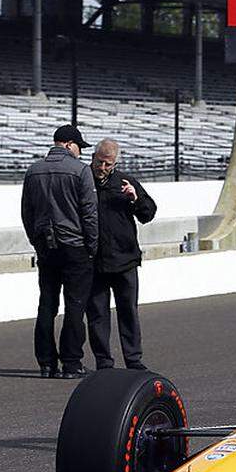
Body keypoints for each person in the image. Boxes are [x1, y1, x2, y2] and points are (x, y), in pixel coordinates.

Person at [21, 125, 97, 379]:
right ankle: (72, 362)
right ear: (68, 144)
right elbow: (89, 213)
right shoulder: (81, 171)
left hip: (46, 246)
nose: (80, 152)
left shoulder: (33, 171)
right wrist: (92, 246)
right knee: (75, 306)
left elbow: (26, 213)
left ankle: (46, 363)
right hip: (75, 246)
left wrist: (36, 242)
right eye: (78, 147)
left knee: (47, 305)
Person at [85, 139, 158, 371]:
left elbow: (148, 213)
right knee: (97, 314)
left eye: (108, 164)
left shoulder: (125, 182)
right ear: (93, 157)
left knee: (128, 312)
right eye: (100, 162)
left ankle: (133, 359)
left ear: (115, 162)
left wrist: (135, 198)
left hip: (125, 260)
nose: (103, 168)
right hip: (94, 261)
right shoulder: (83, 180)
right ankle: (104, 361)